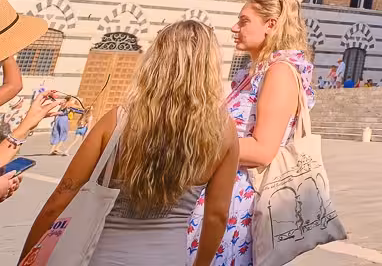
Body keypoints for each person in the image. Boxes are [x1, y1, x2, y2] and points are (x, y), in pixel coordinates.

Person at [22, 21, 238, 266]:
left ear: (155, 61)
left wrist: (26, 258)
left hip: (102, 257)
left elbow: (60, 200)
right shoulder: (224, 130)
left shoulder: (117, 121)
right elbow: (217, 216)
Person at [189, 0, 316, 266]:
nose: (236, 27)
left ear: (271, 25)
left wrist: (192, 140)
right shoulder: (257, 71)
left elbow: (262, 150)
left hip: (239, 204)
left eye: (245, 21)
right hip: (222, 191)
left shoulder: (279, 72)